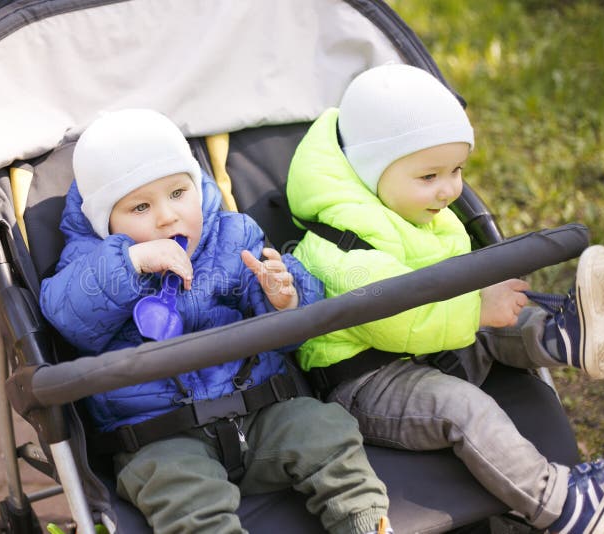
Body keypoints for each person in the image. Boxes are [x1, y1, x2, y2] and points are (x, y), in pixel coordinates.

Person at [286, 64, 604, 534]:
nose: (449, 189)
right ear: (370, 171)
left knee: (499, 315)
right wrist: (475, 306)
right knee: (465, 408)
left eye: (457, 171)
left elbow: (450, 291)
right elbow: (392, 315)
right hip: (366, 381)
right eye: (430, 175)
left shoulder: (420, 209)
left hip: (429, 344)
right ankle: (563, 506)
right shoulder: (336, 243)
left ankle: (562, 336)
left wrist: (483, 302)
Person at [40, 109, 392, 534]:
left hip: (261, 412)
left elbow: (288, 332)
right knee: (185, 498)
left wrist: (284, 297)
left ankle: (365, 520)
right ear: (105, 221)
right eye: (140, 206)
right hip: (160, 438)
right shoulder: (87, 263)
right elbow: (68, 315)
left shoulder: (232, 237)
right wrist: (131, 263)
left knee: (325, 430)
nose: (167, 217)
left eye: (177, 193)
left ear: (196, 185)